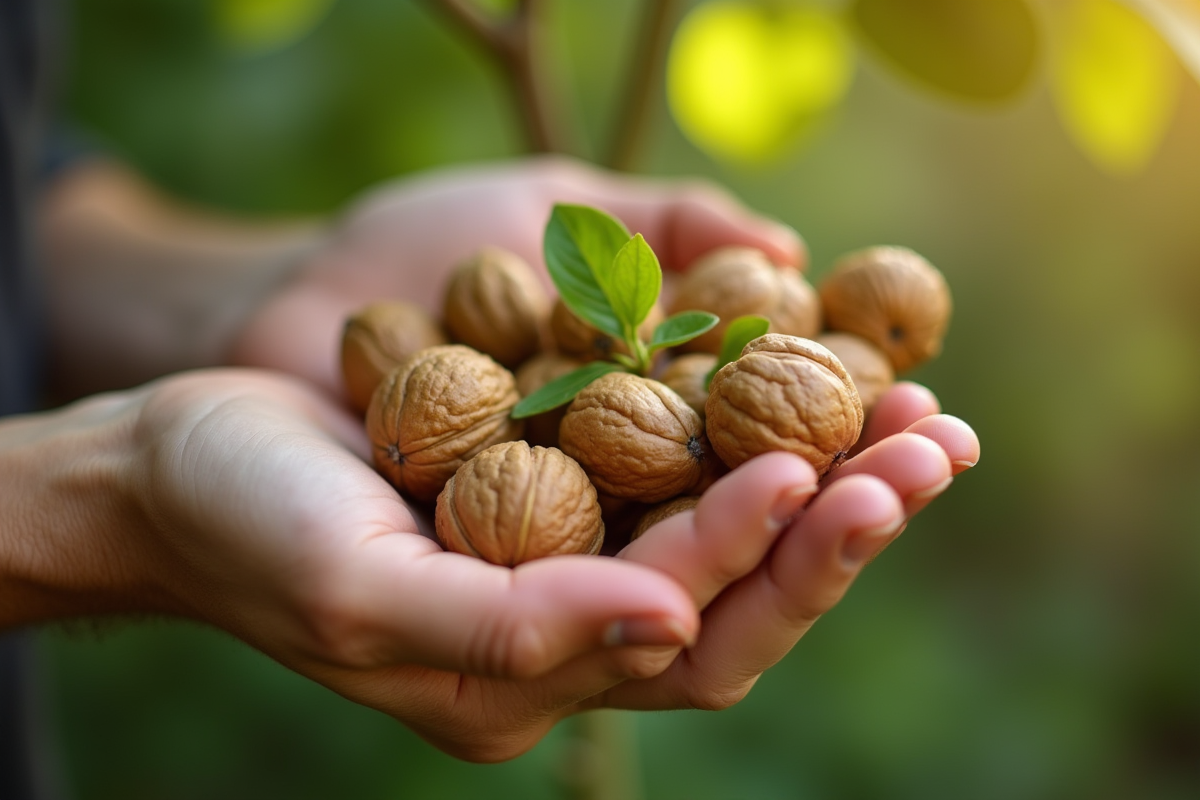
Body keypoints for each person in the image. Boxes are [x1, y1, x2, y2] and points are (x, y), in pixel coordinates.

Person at [0, 0, 980, 792]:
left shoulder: (657, 388)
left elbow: (23, 191)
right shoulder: (561, 405)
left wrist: (268, 294)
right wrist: (110, 505)